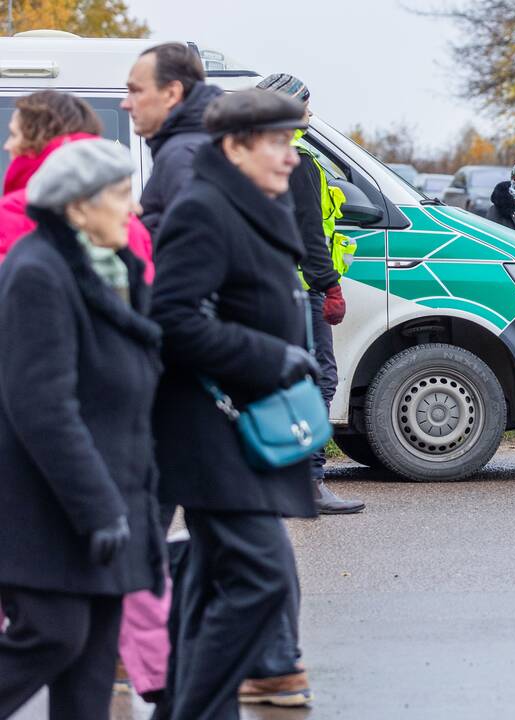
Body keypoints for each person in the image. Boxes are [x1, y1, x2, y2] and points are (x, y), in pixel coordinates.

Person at [150, 89, 318, 719]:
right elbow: (171, 316)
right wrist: (270, 357)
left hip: (234, 428)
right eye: (278, 142)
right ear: (236, 145)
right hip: (210, 431)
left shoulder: (249, 204)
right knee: (261, 580)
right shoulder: (204, 209)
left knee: (208, 582)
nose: (290, 157)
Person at [0, 139, 164, 720]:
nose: (135, 207)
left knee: (91, 671)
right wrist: (98, 507)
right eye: (122, 193)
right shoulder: (37, 272)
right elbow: (41, 404)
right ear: (76, 207)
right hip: (50, 507)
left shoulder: (115, 269)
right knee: (53, 635)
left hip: (113, 500)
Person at [256, 72, 364, 516]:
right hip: (304, 292)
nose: (310, 112)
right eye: (304, 104)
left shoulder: (252, 159)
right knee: (318, 380)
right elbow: (309, 235)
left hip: (269, 289)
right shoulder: (296, 163)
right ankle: (310, 480)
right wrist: (329, 285)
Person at [0, 91, 153, 280]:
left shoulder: (10, 212)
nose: (7, 145)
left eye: (14, 135)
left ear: (40, 140)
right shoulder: (128, 225)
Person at [122, 41, 222, 239]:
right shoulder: (198, 146)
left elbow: (197, 246)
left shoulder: (183, 156)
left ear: (171, 94)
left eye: (136, 91)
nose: (125, 103)